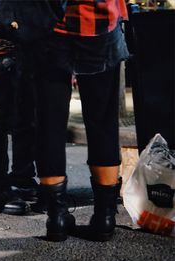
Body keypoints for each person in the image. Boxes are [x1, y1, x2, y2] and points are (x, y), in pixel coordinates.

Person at [17, 0, 129, 241]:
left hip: (51, 27)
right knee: (103, 123)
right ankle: (104, 218)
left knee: (49, 123)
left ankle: (56, 217)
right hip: (100, 26)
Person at [0, 0, 39, 215]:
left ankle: (21, 180)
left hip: (25, 31)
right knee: (2, 111)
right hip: (1, 33)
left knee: (25, 111)